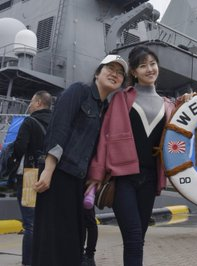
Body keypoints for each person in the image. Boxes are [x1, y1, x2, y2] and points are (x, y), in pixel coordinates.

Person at [32, 54, 128, 266]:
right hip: (58, 173)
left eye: (120, 72)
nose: (115, 73)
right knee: (51, 238)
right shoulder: (79, 91)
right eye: (110, 68)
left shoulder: (105, 110)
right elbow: (59, 126)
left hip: (78, 179)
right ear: (97, 72)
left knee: (72, 239)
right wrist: (48, 170)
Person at [87, 45, 176, 266]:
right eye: (143, 65)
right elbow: (105, 139)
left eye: (152, 64)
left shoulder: (169, 105)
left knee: (138, 239)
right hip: (122, 178)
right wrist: (96, 175)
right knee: (134, 236)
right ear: (134, 72)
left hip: (150, 179)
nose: (149, 69)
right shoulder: (121, 99)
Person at [11, 90, 52, 266]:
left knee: (30, 224)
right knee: (46, 222)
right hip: (50, 174)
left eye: (31, 101)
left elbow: (20, 147)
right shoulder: (56, 121)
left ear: (38, 103)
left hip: (29, 175)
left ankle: (28, 262)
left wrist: (10, 168)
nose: (29, 105)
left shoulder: (29, 121)